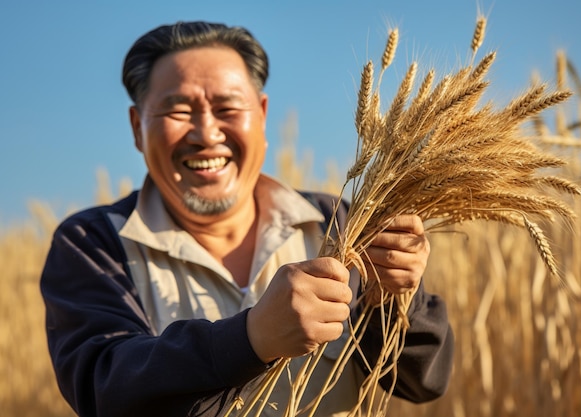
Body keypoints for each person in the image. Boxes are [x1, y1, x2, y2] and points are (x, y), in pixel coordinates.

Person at [40, 21, 453, 417]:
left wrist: (394, 300)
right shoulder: (93, 243)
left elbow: (422, 382)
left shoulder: (343, 221)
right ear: (136, 127)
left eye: (227, 107)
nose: (206, 132)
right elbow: (104, 389)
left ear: (262, 113)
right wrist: (252, 338)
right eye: (178, 110)